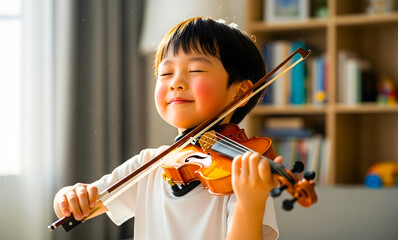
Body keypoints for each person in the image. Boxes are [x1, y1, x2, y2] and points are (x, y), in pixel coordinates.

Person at [53, 17, 283, 240]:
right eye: (166, 73)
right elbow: (78, 208)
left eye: (196, 70)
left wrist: (249, 204)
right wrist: (68, 197)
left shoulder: (244, 175)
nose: (175, 82)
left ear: (241, 92)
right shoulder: (149, 164)